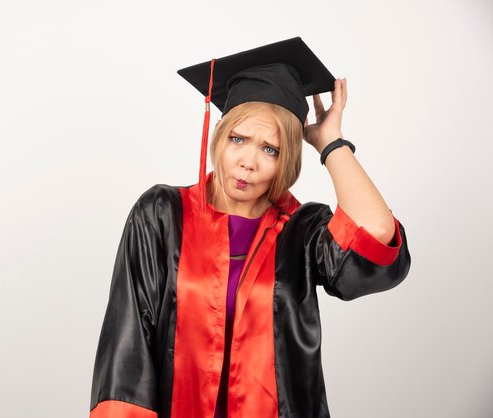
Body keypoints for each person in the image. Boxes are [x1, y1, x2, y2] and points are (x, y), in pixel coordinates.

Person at [88, 37, 411, 418]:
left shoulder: (302, 232)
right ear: (221, 138)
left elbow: (375, 234)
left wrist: (331, 143)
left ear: (286, 158)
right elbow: (129, 344)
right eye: (238, 139)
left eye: (269, 149)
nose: (248, 162)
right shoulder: (162, 214)